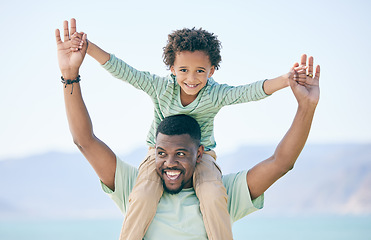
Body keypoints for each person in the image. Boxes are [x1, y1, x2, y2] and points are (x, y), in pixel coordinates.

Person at [59, 19, 314, 239]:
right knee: (143, 196)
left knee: (212, 195)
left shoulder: (215, 96)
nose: (191, 79)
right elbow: (125, 73)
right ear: (172, 69)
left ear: (211, 71)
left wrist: (286, 82)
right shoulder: (161, 89)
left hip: (205, 160)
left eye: (200, 71)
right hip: (152, 157)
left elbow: (249, 95)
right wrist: (84, 54)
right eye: (183, 70)